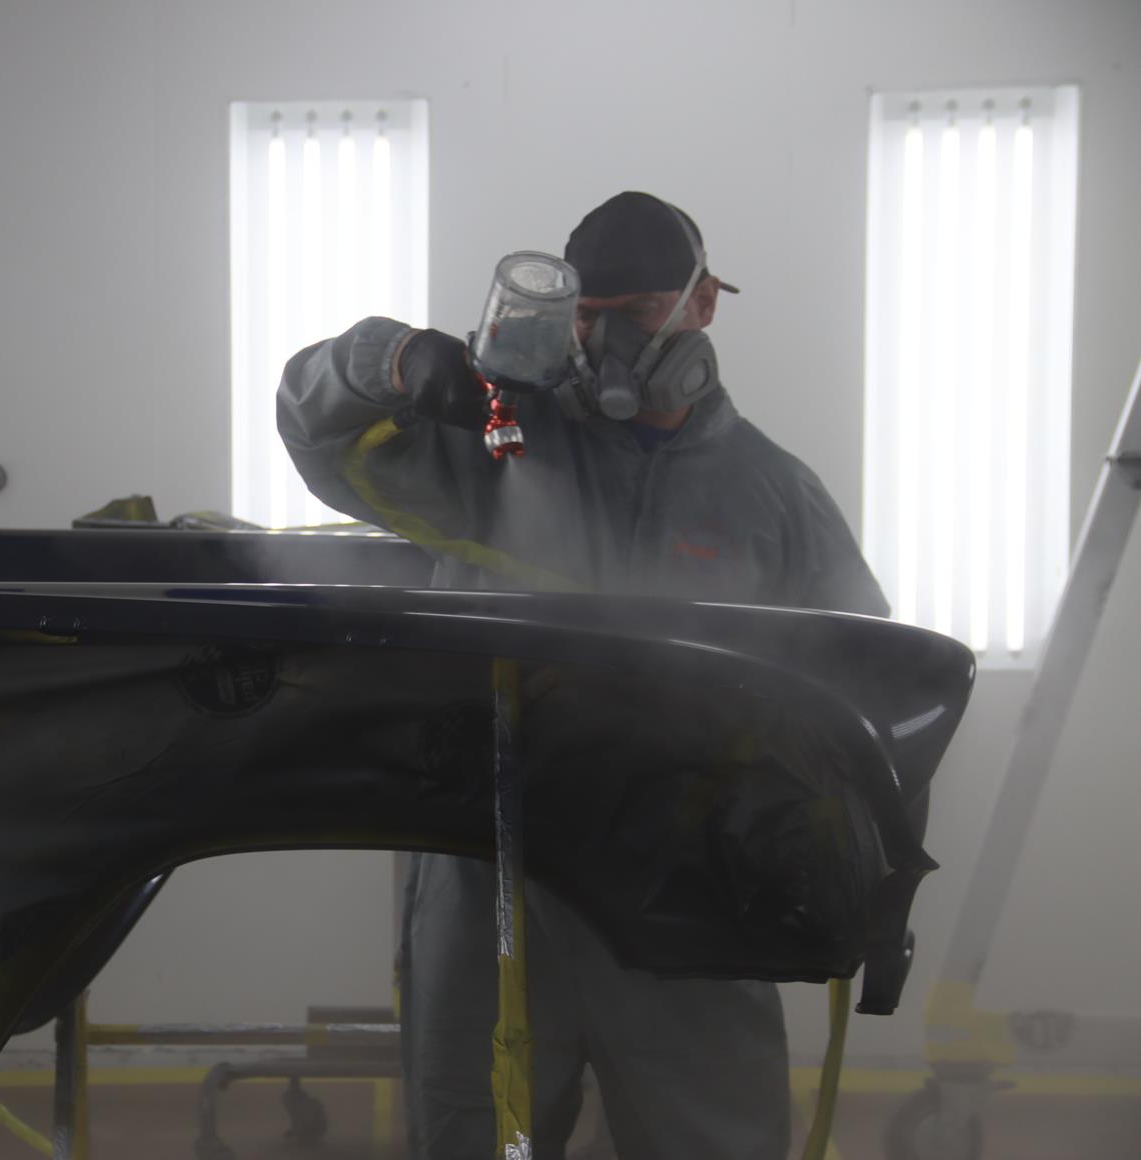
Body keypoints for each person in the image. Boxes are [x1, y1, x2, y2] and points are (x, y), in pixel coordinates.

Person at [277, 190, 888, 1160]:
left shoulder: (775, 495)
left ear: (702, 305)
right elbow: (314, 425)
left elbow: (863, 684)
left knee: (713, 1143)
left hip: (693, 885)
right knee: (476, 1135)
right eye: (590, 319)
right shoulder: (499, 448)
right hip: (497, 875)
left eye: (639, 312)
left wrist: (827, 860)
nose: (609, 346)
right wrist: (393, 359)